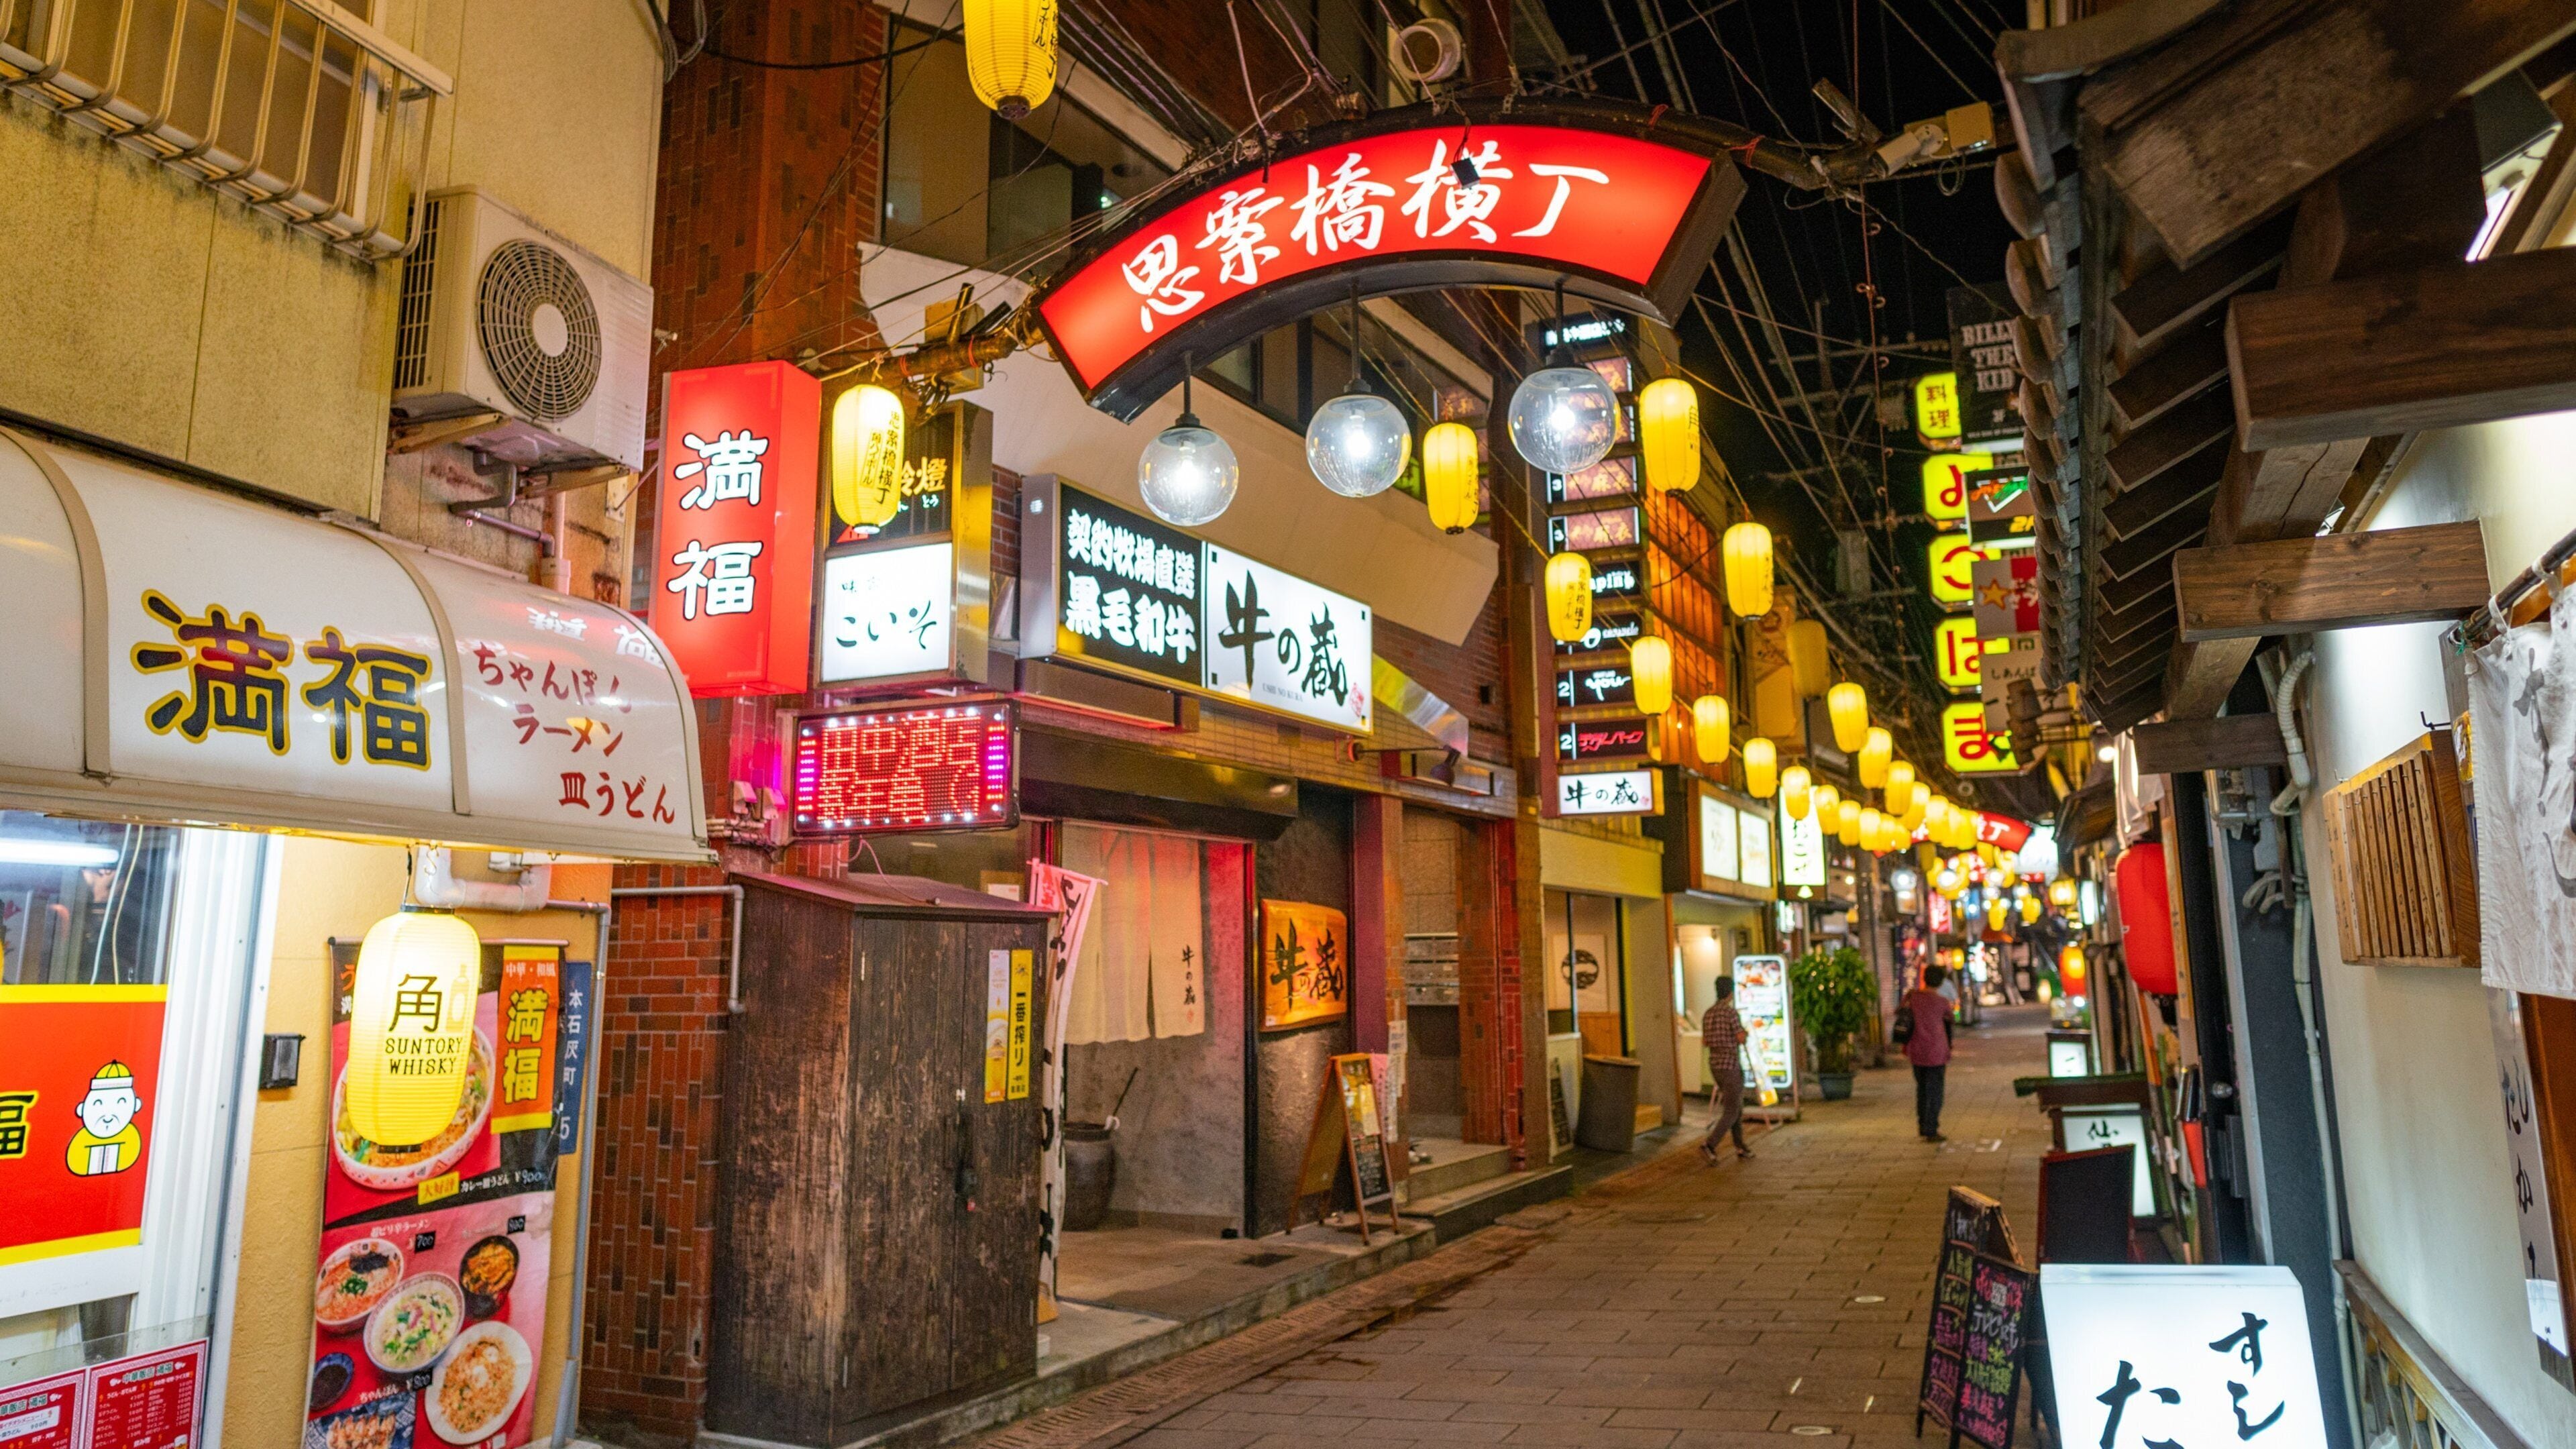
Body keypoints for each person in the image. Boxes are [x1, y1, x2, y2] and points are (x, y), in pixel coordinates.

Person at [1699, 977, 1754, 1163]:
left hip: (1715, 1065)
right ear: (1730, 993)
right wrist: (1746, 1033)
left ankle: (1740, 1146)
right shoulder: (1731, 1013)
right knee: (1732, 1110)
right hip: (1730, 1065)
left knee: (1736, 1105)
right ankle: (1710, 1144)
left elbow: (1705, 1042)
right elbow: (1740, 1038)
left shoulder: (1708, 1014)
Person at [1903, 965, 1956, 1142]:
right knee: (1935, 1091)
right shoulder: (1941, 1002)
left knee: (1922, 1089)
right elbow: (1951, 1018)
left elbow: (1900, 1012)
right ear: (1941, 982)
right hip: (1936, 1052)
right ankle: (1931, 1128)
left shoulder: (1913, 997)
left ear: (1924, 979)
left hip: (1916, 1050)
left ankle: (1922, 1125)